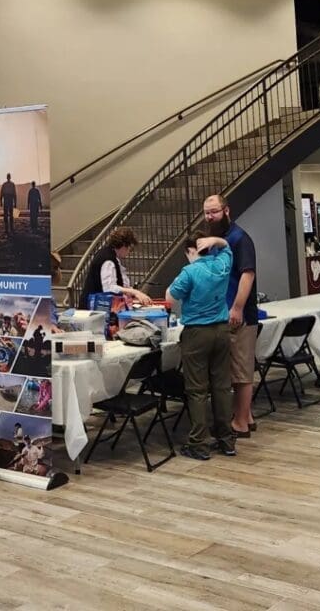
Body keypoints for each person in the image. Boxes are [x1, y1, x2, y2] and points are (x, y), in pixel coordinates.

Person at [166, 229, 235, 460]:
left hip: (197, 333)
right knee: (222, 386)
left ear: (191, 251)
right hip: (222, 330)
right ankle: (226, 440)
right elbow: (226, 247)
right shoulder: (223, 264)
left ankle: (199, 443)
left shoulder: (189, 272)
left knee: (197, 390)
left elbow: (170, 298)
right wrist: (216, 240)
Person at [204, 195, 257, 436]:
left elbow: (247, 275)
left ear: (226, 210)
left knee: (241, 371)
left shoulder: (239, 239)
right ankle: (246, 415)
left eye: (213, 212)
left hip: (240, 315)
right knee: (235, 369)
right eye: (206, 213)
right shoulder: (219, 241)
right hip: (221, 313)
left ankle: (241, 423)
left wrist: (237, 308)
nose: (209, 217)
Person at [79, 226, 152, 308]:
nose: (129, 253)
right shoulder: (108, 260)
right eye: (130, 249)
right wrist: (134, 292)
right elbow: (109, 288)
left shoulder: (108, 254)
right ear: (124, 245)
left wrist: (130, 292)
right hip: (93, 308)